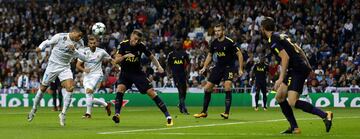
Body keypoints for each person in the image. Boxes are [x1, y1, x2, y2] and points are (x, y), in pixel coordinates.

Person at [260, 17, 333, 134]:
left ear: (263, 29)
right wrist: (309, 67)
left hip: (297, 69)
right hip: (296, 68)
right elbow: (299, 49)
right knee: (279, 97)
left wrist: (280, 78)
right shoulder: (282, 36)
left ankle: (325, 115)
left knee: (293, 101)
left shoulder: (272, 40)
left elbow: (285, 57)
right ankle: (294, 127)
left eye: (261, 29)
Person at [27, 27, 89, 126]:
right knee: (43, 88)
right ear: (73, 32)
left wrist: (75, 51)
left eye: (81, 36)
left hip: (65, 67)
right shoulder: (60, 37)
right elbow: (47, 42)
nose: (80, 38)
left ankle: (63, 114)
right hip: (52, 66)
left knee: (70, 88)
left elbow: (84, 57)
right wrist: (40, 48)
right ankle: (34, 109)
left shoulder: (80, 43)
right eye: (79, 35)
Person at [111, 29, 173, 126]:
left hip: (137, 74)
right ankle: (117, 115)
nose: (136, 42)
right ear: (131, 36)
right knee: (120, 89)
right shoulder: (123, 45)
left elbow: (151, 57)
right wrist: (126, 56)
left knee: (151, 93)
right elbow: (116, 60)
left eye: (138, 40)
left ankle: (168, 116)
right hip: (125, 73)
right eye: (135, 39)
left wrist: (159, 66)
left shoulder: (141, 46)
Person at [193, 23, 244, 119]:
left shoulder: (230, 42)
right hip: (218, 67)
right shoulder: (214, 43)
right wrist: (204, 67)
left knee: (227, 87)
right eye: (215, 31)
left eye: (219, 31)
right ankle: (204, 112)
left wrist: (240, 68)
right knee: (207, 88)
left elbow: (240, 55)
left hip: (229, 67)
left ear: (223, 31)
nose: (217, 33)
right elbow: (210, 55)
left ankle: (226, 113)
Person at [76, 35, 112, 119]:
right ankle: (106, 104)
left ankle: (88, 114)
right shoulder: (84, 52)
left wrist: (118, 67)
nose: (92, 44)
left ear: (97, 43)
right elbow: (78, 65)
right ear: (88, 44)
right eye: (91, 43)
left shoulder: (101, 52)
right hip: (87, 76)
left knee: (88, 91)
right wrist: (84, 70)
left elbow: (110, 59)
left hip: (97, 75)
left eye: (94, 43)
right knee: (90, 97)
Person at [167, 41, 190, 114]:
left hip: (183, 75)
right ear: (174, 45)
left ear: (180, 45)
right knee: (180, 90)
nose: (177, 45)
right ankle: (184, 109)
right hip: (175, 75)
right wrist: (169, 74)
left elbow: (189, 63)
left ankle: (180, 105)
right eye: (175, 44)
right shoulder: (171, 54)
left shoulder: (184, 53)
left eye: (178, 44)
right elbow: (168, 65)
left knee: (184, 91)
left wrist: (188, 73)